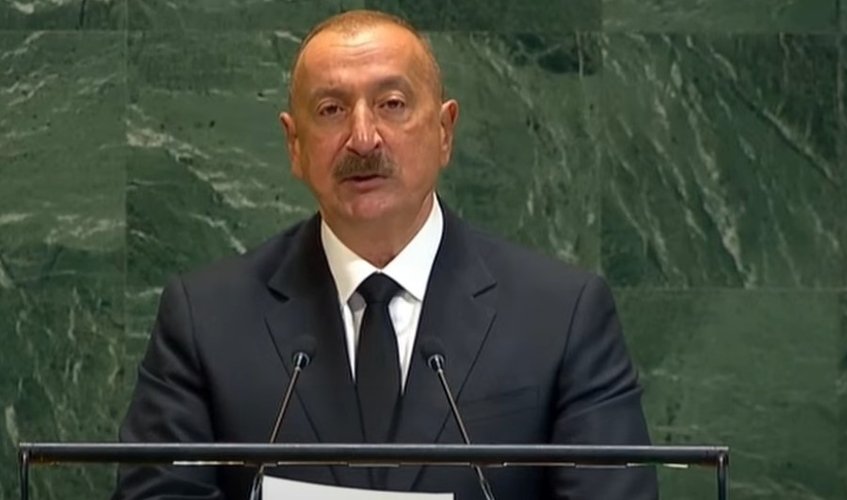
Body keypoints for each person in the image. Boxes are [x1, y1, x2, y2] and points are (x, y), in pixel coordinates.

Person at [113, 9, 658, 500]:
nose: (363, 138)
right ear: (294, 145)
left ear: (444, 131)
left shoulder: (561, 315)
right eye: (331, 109)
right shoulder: (206, 318)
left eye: (391, 105)